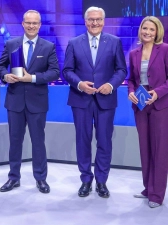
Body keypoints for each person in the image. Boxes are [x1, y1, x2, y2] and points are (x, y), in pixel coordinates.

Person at [62, 6, 126, 198]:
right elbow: (67, 71)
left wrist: (111, 85)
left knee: (105, 141)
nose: (95, 23)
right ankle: (86, 180)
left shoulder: (114, 42)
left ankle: (101, 181)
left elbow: (121, 70)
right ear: (85, 21)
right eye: (91, 19)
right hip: (80, 99)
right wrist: (80, 84)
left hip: (106, 99)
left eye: (98, 19)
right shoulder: (74, 43)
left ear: (103, 21)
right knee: (83, 141)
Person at [0, 10, 59, 194]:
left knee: (38, 141)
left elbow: (55, 72)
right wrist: (5, 76)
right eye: (28, 22)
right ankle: (13, 177)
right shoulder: (11, 44)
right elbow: (0, 66)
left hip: (37, 103)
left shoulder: (48, 47)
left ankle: (40, 179)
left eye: (35, 23)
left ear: (39, 25)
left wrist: (31, 78)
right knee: (15, 141)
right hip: (15, 101)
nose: (31, 26)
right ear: (22, 24)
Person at [128, 16, 168, 208]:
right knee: (145, 149)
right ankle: (148, 187)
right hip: (141, 105)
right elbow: (131, 80)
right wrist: (130, 92)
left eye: (152, 29)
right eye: (145, 28)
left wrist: (158, 93)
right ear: (140, 30)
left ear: (157, 32)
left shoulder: (165, 50)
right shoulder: (134, 53)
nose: (147, 32)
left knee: (159, 151)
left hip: (160, 105)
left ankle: (157, 195)